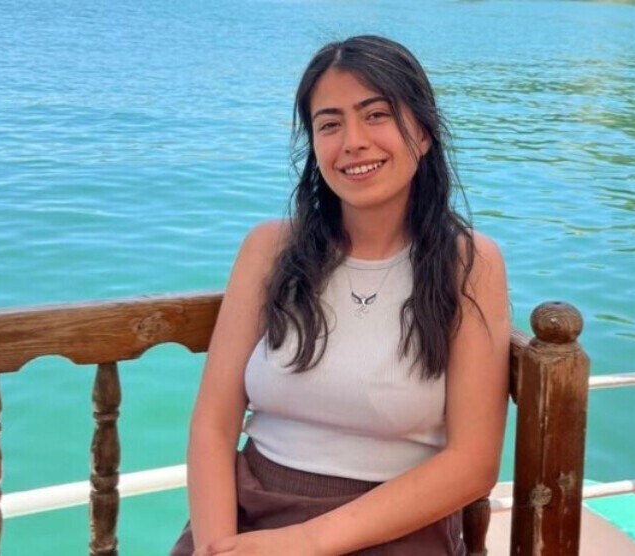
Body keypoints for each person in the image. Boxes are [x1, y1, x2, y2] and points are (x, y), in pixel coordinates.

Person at [172, 35, 509, 556]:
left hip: (396, 527)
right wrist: (217, 546)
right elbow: (214, 425)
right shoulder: (269, 250)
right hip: (251, 512)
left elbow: (473, 462)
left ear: (422, 133)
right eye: (329, 124)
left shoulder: (468, 263)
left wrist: (305, 542)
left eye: (376, 115)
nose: (353, 142)